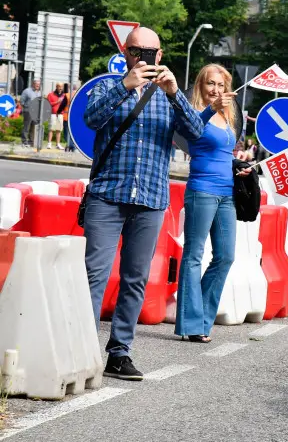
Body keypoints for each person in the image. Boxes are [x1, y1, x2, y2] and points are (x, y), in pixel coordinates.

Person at [83, 27, 205, 380]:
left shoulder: (168, 96)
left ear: (160, 55)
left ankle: (119, 353)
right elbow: (90, 119)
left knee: (135, 278)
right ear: (125, 51)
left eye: (149, 52)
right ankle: (85, 348)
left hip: (150, 198)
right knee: (95, 275)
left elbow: (195, 135)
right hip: (107, 193)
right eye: (136, 50)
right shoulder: (108, 86)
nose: (143, 57)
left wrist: (175, 94)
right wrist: (126, 86)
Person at [175, 64, 250, 343]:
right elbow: (193, 136)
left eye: (221, 85)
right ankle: (192, 324)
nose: (216, 90)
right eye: (210, 84)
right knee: (194, 255)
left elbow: (222, 152)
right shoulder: (194, 113)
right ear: (201, 85)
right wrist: (211, 107)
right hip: (202, 190)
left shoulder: (228, 115)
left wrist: (239, 166)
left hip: (227, 192)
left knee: (225, 256)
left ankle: (203, 319)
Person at [19, 79, 41, 147]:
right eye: (36, 84)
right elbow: (22, 101)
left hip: (36, 112)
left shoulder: (39, 92)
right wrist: (26, 107)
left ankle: (31, 142)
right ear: (33, 84)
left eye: (39, 84)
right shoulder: (27, 91)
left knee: (34, 128)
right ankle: (24, 141)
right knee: (26, 127)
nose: (38, 85)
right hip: (28, 111)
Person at [46, 82, 66, 149]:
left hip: (60, 114)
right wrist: (57, 102)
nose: (60, 88)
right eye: (59, 87)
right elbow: (48, 104)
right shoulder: (51, 94)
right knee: (51, 129)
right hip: (53, 114)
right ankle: (49, 143)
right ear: (56, 87)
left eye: (61, 87)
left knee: (58, 129)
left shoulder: (64, 95)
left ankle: (58, 144)